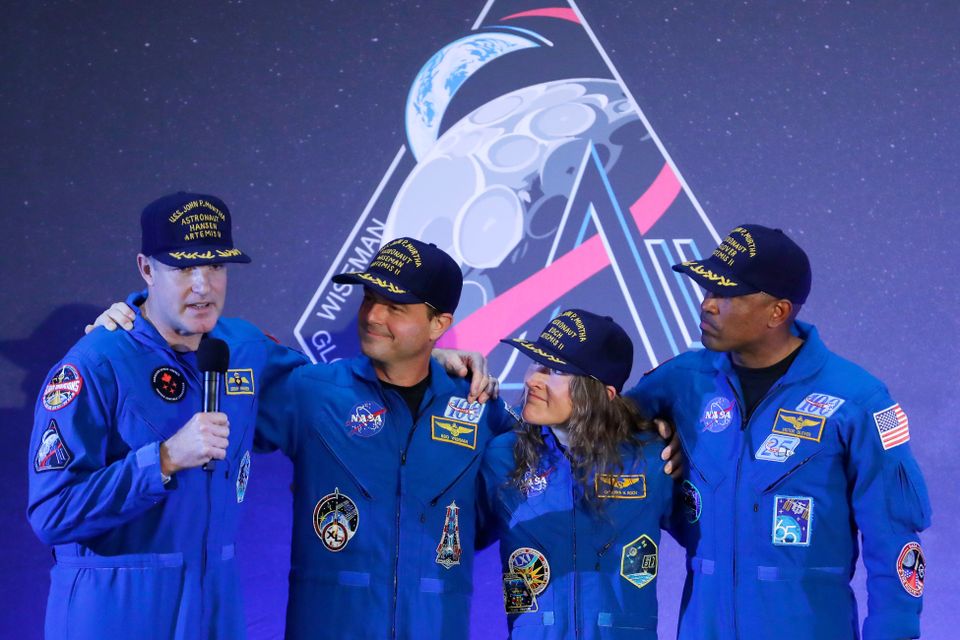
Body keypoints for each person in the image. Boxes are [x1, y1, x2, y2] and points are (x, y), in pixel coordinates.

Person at [626, 224, 931, 639]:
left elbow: (892, 539)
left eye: (726, 294)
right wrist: (650, 436)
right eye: (708, 290)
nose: (707, 305)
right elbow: (596, 435)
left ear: (778, 312)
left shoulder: (859, 400)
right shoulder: (682, 380)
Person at [27, 192, 307, 639]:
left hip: (215, 609)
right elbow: (52, 513)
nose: (203, 286)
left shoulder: (246, 348)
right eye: (183, 268)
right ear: (146, 269)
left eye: (215, 266)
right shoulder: (96, 363)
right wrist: (163, 459)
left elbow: (335, 402)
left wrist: (425, 359)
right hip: (116, 612)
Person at [250, 237, 518, 639]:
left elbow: (537, 478)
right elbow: (216, 351)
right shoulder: (313, 392)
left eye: (395, 308)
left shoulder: (479, 408)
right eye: (369, 299)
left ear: (439, 324)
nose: (373, 316)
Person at [478, 310, 673, 639]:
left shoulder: (653, 460)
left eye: (554, 370)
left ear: (603, 394)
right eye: (535, 363)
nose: (532, 379)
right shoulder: (502, 456)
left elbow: (717, 542)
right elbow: (444, 542)